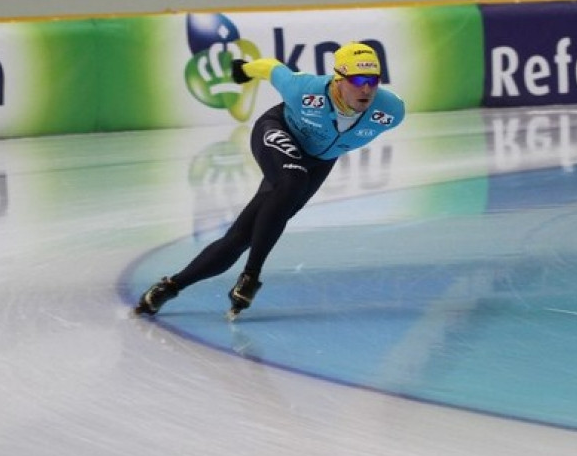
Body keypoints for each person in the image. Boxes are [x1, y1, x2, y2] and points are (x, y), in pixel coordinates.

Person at [135, 42, 406, 319]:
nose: (366, 89)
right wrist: (244, 70)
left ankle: (169, 286)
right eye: (359, 80)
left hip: (318, 161)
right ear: (339, 79)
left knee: (243, 236)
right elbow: (273, 68)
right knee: (292, 181)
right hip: (277, 130)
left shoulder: (391, 112)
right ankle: (251, 277)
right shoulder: (305, 89)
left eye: (373, 80)